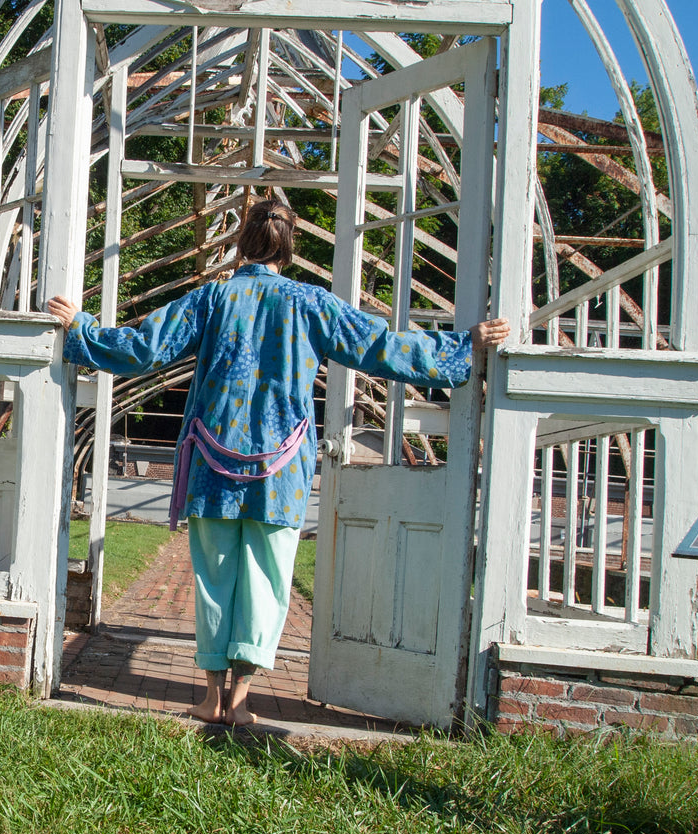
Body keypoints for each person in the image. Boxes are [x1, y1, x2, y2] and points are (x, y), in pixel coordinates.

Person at [47, 198, 509, 726]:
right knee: (266, 582)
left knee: (214, 580)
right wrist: (462, 347)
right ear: (288, 249)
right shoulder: (311, 303)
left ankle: (210, 697)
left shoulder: (212, 299)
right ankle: (241, 704)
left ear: (241, 243)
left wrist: (80, 328)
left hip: (211, 464)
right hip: (281, 473)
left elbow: (143, 347)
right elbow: (381, 346)